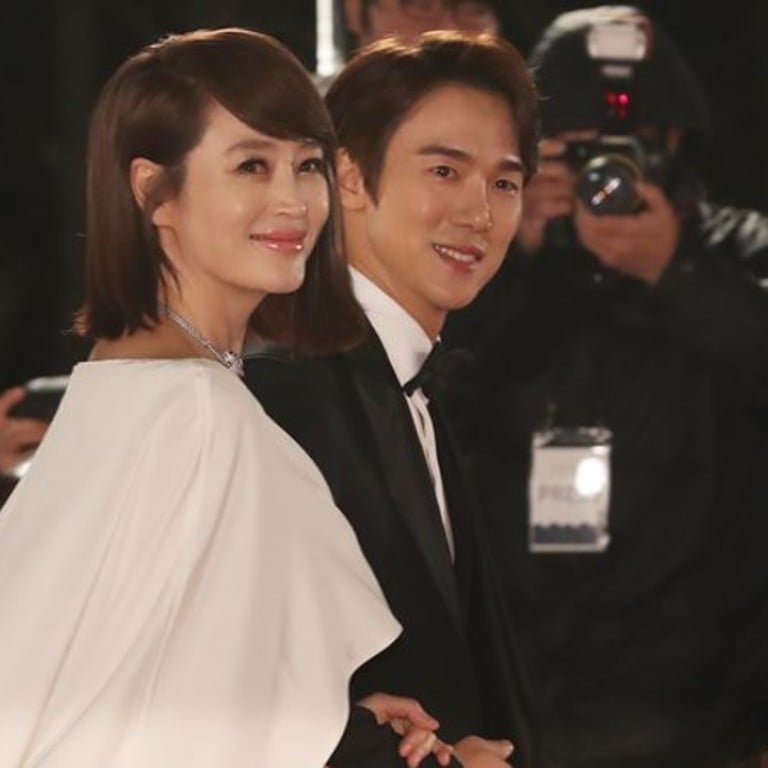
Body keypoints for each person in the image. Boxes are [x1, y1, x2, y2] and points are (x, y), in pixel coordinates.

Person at [0, 27, 458, 767]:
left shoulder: (124, 381)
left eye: (306, 165)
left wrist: (333, 719)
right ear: (154, 192)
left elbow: (160, 688)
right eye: (251, 165)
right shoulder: (200, 414)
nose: (293, 201)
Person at [444, 6, 768, 767]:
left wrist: (674, 272)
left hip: (704, 684)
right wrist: (506, 254)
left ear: (675, 143)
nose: (603, 175)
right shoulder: (489, 261)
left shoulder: (738, 247)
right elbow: (426, 398)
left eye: (623, 151)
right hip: (525, 669)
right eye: (574, 151)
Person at [246, 30, 540, 768]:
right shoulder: (282, 386)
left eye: (505, 183)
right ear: (347, 176)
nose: (479, 212)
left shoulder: (408, 378)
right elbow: (227, 685)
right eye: (445, 170)